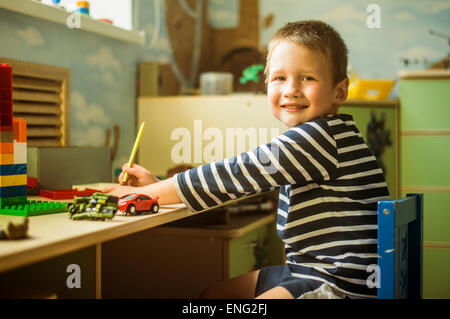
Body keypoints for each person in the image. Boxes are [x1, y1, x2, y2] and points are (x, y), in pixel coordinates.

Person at [105, 20, 390, 299]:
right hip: (308, 270)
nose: (291, 88)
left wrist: (144, 194)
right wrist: (159, 186)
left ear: (339, 92)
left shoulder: (320, 138)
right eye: (279, 78)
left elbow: (236, 174)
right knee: (215, 294)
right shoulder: (328, 134)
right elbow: (233, 179)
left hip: (338, 283)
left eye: (307, 78)